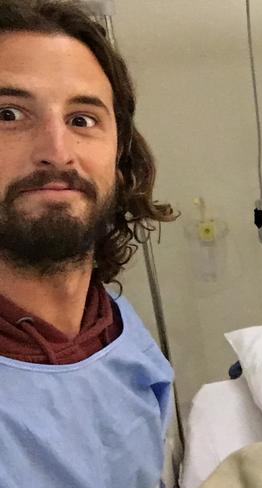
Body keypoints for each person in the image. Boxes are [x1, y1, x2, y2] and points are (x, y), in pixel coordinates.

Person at [0, 1, 176, 486]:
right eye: (9, 114)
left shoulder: (121, 337)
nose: (57, 152)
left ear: (121, 160)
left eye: (82, 120)